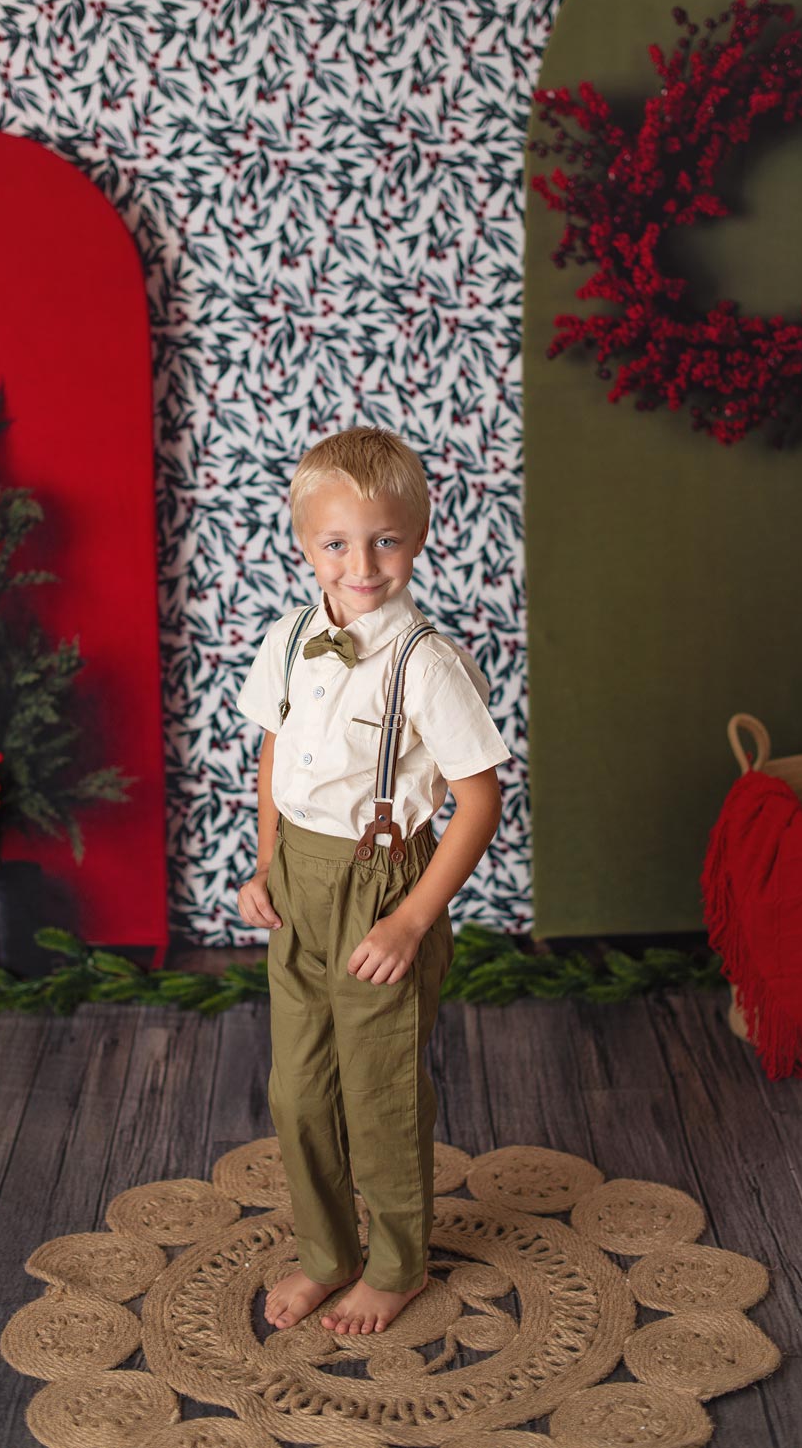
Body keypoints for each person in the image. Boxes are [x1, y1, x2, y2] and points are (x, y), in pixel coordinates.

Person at [234, 426, 512, 1335]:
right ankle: (328, 1254)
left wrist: (410, 919)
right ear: (305, 542)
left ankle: (395, 1265)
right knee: (299, 1090)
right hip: (298, 886)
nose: (362, 563)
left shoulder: (426, 663)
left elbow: (478, 800)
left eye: (385, 539)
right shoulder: (287, 639)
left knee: (380, 1089)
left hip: (383, 885)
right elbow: (275, 752)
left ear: (419, 538)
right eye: (337, 542)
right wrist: (265, 860)